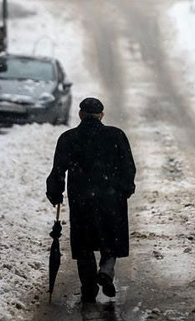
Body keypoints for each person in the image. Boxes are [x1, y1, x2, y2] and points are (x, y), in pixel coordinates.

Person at [46, 98, 136, 304]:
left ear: (80, 115)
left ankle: (88, 287)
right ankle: (106, 270)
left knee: (84, 243)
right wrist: (125, 189)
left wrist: (55, 192)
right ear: (102, 115)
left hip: (82, 199)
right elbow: (128, 167)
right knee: (110, 238)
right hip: (112, 198)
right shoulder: (116, 135)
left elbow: (58, 170)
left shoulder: (69, 138)